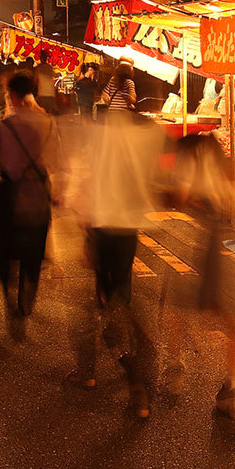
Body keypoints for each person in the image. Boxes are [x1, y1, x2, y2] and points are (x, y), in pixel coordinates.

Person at [66, 108, 163, 419]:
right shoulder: (140, 144)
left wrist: (86, 231)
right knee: (120, 299)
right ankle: (128, 364)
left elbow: (89, 189)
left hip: (104, 229)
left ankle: (134, 382)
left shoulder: (103, 143)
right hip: (128, 232)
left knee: (105, 310)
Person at [168, 133, 235, 419]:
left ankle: (175, 366)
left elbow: (182, 194)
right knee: (225, 309)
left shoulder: (190, 158)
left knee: (178, 304)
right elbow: (228, 197)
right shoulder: (220, 162)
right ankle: (234, 382)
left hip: (197, 237)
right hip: (218, 235)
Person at [0, 70, 61, 319]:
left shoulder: (5, 126)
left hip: (11, 190)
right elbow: (56, 160)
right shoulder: (48, 123)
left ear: (13, 96)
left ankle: (8, 282)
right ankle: (28, 292)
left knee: (6, 241)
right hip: (38, 189)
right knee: (35, 244)